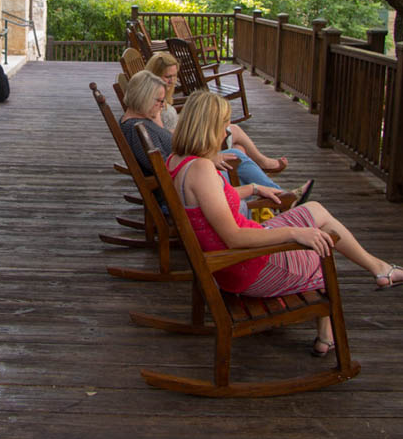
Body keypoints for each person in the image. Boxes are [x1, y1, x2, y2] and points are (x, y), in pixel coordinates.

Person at [167, 90, 402, 355]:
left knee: (315, 210)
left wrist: (254, 187)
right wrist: (294, 233)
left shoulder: (177, 162)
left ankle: (378, 271)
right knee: (322, 243)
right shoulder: (202, 170)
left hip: (238, 258)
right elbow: (233, 237)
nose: (226, 133)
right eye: (223, 125)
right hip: (245, 266)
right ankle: (337, 321)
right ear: (208, 128)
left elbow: (208, 204)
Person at [119, 70, 311, 206]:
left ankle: (276, 198)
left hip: (186, 176)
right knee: (235, 157)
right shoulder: (136, 130)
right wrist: (206, 161)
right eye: (159, 101)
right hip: (181, 191)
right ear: (143, 97)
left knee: (236, 154)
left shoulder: (142, 122)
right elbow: (162, 169)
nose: (162, 105)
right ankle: (277, 199)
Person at [144, 52, 289, 177]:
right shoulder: (153, 104)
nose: (172, 81)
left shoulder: (159, 96)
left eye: (174, 76)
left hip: (184, 143)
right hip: (186, 148)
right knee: (235, 136)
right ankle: (263, 166)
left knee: (239, 150)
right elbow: (162, 135)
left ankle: (250, 185)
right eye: (167, 76)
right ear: (155, 76)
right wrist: (190, 128)